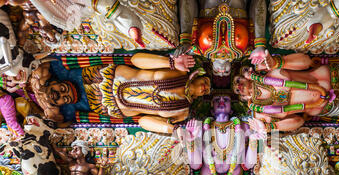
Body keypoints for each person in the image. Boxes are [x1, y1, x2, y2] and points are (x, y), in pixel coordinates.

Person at [30, 53, 211, 133]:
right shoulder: (181, 110)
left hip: (111, 77)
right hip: (115, 105)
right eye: (60, 100)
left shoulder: (182, 109)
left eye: (57, 92)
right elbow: (142, 121)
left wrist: (171, 63)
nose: (63, 95)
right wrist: (172, 130)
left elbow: (134, 60)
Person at [233, 51, 339, 132]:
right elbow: (299, 121)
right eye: (237, 90)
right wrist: (272, 127)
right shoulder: (263, 111)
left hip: (329, 78)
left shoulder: (271, 71)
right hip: (328, 106)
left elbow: (307, 62)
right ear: (243, 97)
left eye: (237, 81)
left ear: (244, 75)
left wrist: (279, 62)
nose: (239, 87)